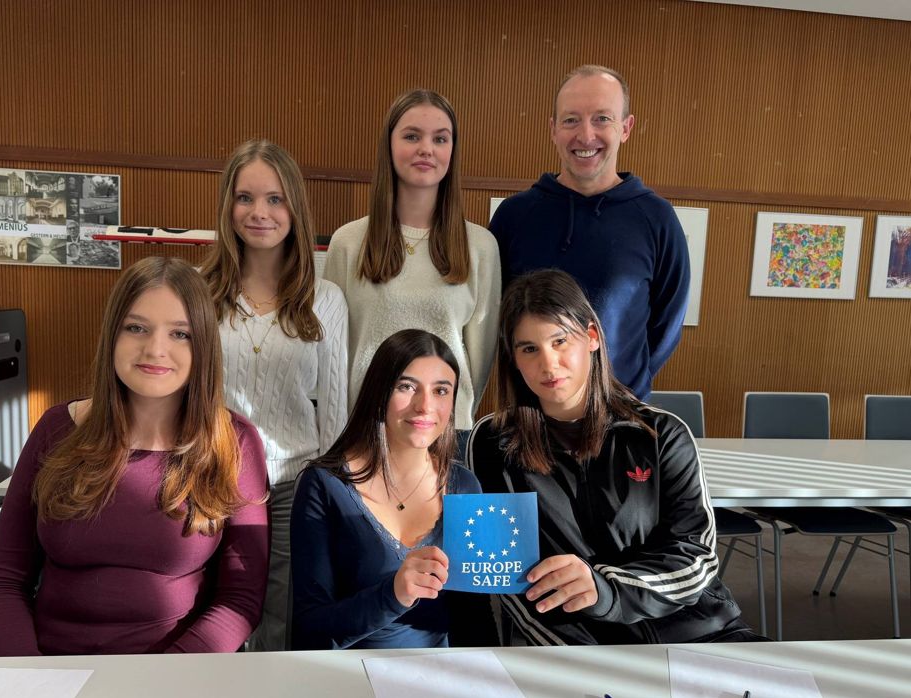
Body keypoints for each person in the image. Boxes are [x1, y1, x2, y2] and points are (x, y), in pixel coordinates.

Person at [0, 257, 269, 655]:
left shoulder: (233, 442)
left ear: (203, 344)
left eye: (180, 334)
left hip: (176, 674)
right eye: (136, 328)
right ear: (112, 334)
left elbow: (240, 599)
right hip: (53, 668)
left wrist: (163, 679)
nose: (156, 349)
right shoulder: (56, 429)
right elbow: (3, 582)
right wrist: (28, 676)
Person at [467, 269, 760, 645]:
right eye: (529, 349)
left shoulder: (660, 433)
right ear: (513, 358)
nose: (548, 364)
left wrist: (606, 590)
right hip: (580, 646)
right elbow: (504, 577)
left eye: (560, 341)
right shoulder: (492, 442)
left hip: (699, 631)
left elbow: (696, 557)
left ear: (591, 337)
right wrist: (582, 657)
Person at [201, 139, 348, 651]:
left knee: (280, 613)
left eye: (275, 199)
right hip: (212, 475)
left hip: (293, 482)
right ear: (228, 206)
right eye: (245, 198)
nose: (258, 212)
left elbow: (334, 410)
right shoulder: (198, 291)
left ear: (295, 208)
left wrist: (331, 491)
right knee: (211, 605)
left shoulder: (325, 299)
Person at [488, 65, 690, 400]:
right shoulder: (513, 216)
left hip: (620, 414)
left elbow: (665, 328)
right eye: (571, 120)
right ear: (553, 130)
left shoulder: (657, 219)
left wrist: (617, 390)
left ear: (626, 128)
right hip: (528, 416)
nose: (585, 135)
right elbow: (496, 319)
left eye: (602, 119)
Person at [290, 329, 491, 649]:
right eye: (406, 387)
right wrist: (394, 594)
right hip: (349, 673)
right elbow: (310, 629)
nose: (425, 405)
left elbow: (475, 619)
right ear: (379, 392)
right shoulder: (325, 484)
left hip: (441, 672)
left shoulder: (464, 487)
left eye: (441, 390)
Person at [324, 90, 500, 447]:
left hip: (443, 434)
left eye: (440, 139)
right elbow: (333, 352)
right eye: (412, 136)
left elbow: (478, 362)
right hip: (365, 432)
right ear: (389, 145)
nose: (426, 149)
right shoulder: (348, 242)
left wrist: (449, 418)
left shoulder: (480, 246)